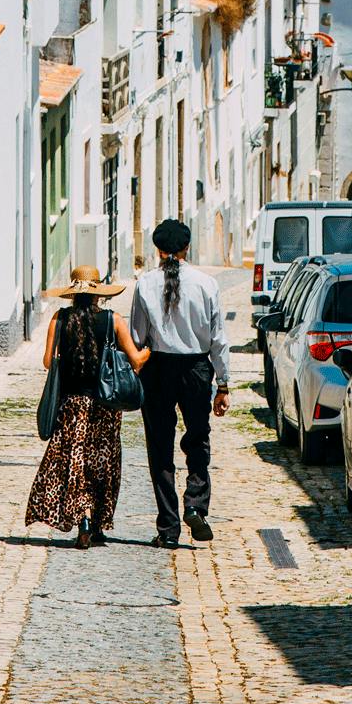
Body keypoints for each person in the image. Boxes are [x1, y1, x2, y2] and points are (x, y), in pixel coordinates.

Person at [26, 266, 150, 550]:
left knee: (75, 460)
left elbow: (48, 362)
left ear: (73, 293)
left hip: (71, 404)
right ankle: (96, 522)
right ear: (98, 294)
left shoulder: (60, 319)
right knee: (102, 462)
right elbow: (136, 361)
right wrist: (149, 350)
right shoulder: (112, 320)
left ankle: (81, 517)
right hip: (105, 405)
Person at [130, 220, 230, 549]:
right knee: (198, 439)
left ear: (157, 250)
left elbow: (137, 337)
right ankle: (196, 504)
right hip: (197, 369)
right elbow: (218, 339)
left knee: (160, 448)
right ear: (187, 247)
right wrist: (224, 383)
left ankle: (168, 528)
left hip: (158, 368)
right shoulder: (207, 284)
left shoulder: (145, 284)